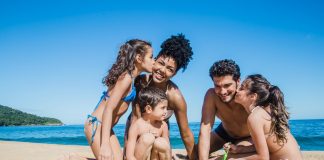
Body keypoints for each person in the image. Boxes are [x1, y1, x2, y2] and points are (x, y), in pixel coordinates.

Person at [125, 34, 196, 159]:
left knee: (161, 144)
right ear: (155, 59)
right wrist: (127, 154)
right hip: (137, 132)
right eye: (161, 63)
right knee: (144, 142)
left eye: (170, 69)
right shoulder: (141, 82)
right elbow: (135, 118)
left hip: (159, 133)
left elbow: (186, 134)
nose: (162, 70)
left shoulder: (175, 97)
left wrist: (195, 158)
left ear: (174, 73)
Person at [84, 39, 154, 160]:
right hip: (96, 125)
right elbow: (108, 109)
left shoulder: (131, 78)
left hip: (106, 127)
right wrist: (105, 145)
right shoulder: (126, 78)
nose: (154, 61)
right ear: (139, 58)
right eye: (151, 57)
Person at [229, 74, 302, 160]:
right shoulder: (262, 113)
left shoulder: (255, 117)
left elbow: (263, 157)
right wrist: (240, 149)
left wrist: (234, 158)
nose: (237, 90)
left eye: (241, 88)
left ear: (253, 96)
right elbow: (267, 145)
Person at [198, 59, 255, 159]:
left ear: (238, 81)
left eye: (227, 85)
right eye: (217, 86)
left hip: (247, 136)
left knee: (231, 157)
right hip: (224, 132)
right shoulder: (211, 95)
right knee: (195, 154)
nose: (222, 91)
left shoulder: (248, 95)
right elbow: (205, 129)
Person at [126, 87, 171, 160]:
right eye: (163, 108)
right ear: (149, 109)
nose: (166, 112)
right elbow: (129, 156)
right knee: (147, 138)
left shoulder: (163, 125)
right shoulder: (136, 126)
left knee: (162, 142)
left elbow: (167, 149)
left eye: (166, 108)